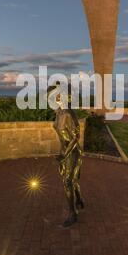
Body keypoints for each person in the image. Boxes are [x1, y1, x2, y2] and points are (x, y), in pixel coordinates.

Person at [48, 85, 84, 227]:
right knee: (71, 179)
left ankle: (72, 213)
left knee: (67, 181)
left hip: (72, 151)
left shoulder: (68, 113)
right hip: (64, 151)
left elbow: (76, 137)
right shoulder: (59, 113)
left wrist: (64, 154)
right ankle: (79, 199)